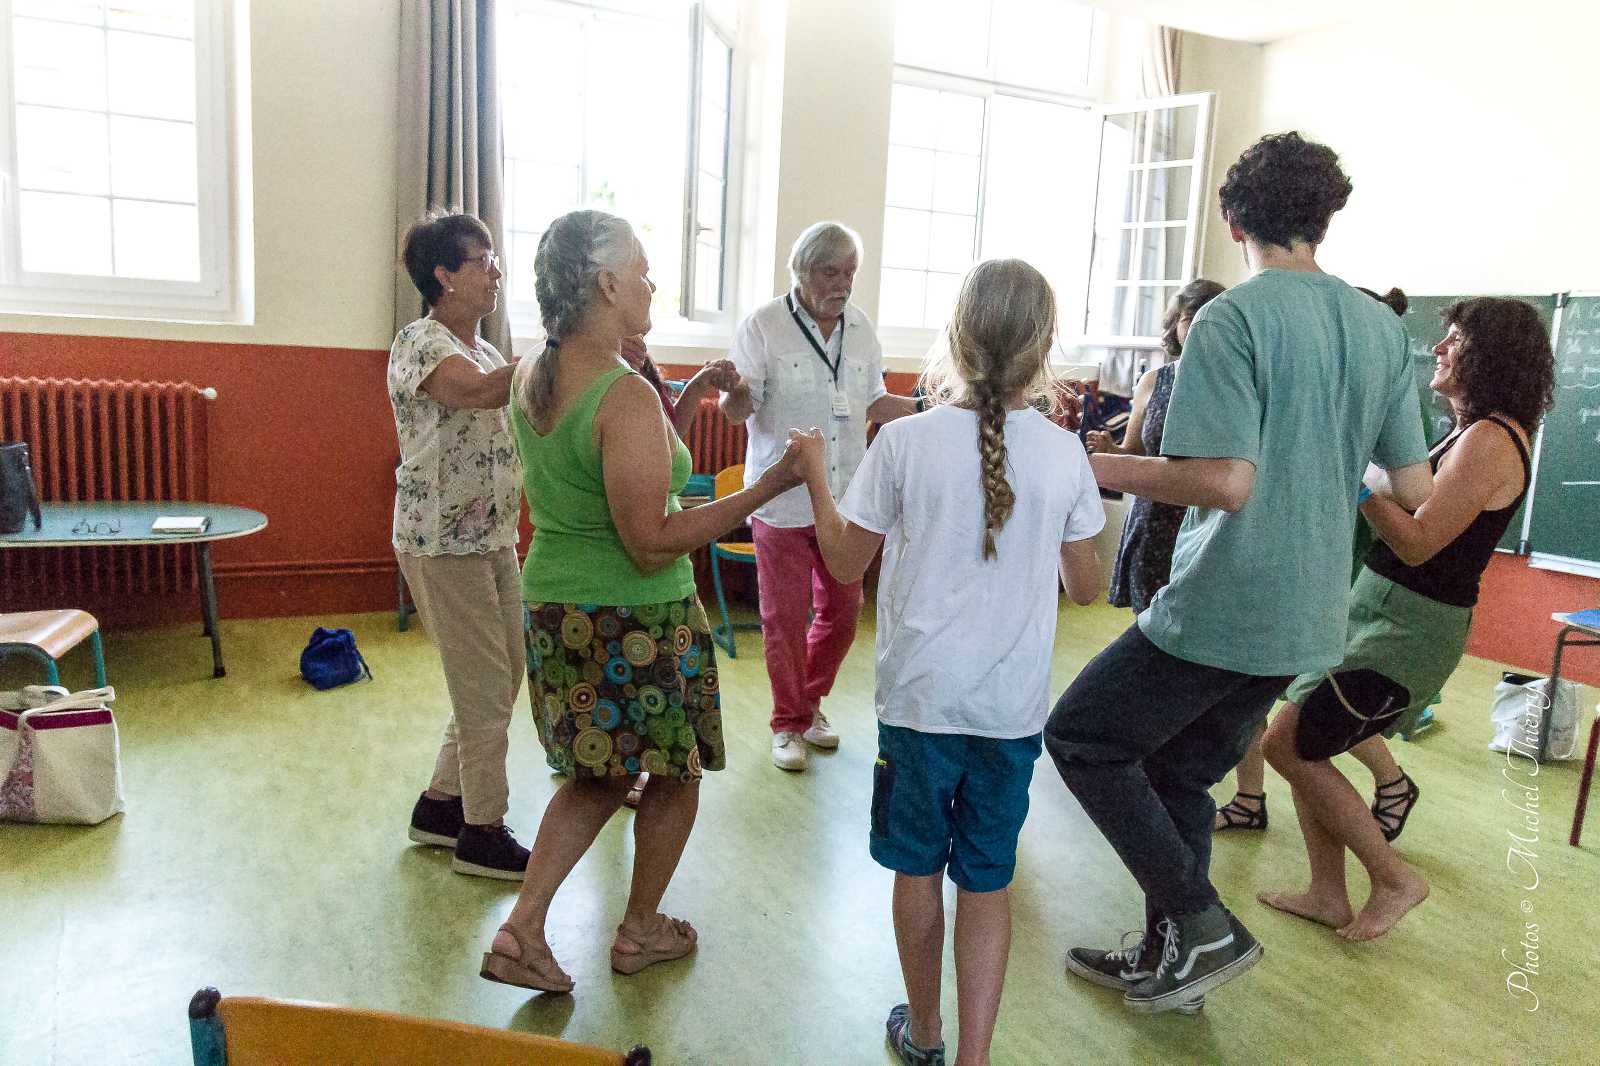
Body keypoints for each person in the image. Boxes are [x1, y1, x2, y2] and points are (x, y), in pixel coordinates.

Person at [1047, 131, 1433, 1013]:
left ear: (1232, 220)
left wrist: (1088, 465)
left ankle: (1201, 923)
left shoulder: (1232, 318)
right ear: (1324, 218)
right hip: (1309, 613)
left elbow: (1223, 482)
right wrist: (1325, 462)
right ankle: (1176, 960)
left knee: (1082, 737)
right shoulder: (1381, 328)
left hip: (1227, 601)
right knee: (1178, 774)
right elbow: (1412, 486)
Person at [479, 209, 802, 993]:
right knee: (673, 775)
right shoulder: (619, 394)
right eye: (644, 272)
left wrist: (681, 402)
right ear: (606, 284)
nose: (653, 285)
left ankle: (522, 932)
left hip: (559, 604)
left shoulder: (536, 373)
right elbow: (652, 538)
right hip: (633, 616)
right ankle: (641, 928)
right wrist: (769, 486)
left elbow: (634, 467)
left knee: (596, 776)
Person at [792, 259, 1105, 1066]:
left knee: (918, 870)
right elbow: (1088, 589)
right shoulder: (1064, 454)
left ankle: (925, 1033)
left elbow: (844, 561)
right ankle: (974, 1057)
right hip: (1009, 712)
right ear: (1044, 348)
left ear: (956, 339)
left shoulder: (903, 442)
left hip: (920, 703)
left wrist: (817, 478)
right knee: (988, 881)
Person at [1257, 297, 1554, 941]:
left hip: (1408, 626)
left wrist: (1355, 486)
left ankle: (1394, 878)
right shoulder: (1467, 430)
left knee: (1285, 743)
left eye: (1455, 340)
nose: (1438, 349)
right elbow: (1406, 497)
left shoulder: (1489, 440)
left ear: (1491, 356)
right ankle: (1327, 893)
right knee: (1304, 740)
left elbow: (1418, 543)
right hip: (1379, 608)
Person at [1213, 285, 1419, 835]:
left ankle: (1392, 780)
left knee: (1315, 691)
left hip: (1343, 554)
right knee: (1279, 686)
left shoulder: (1385, 383)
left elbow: (1407, 487)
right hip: (1300, 545)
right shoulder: (1328, 379)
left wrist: (1353, 483)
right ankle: (1250, 796)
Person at [719, 221, 919, 771]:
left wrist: (932, 410)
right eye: (831, 272)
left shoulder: (862, 328)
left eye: (850, 272)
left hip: (847, 500)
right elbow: (737, 411)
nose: (843, 283)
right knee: (783, 620)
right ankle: (788, 723)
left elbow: (874, 402)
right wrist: (734, 392)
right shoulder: (763, 326)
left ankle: (807, 705)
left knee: (844, 614)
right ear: (802, 272)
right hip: (781, 500)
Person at [391, 213, 531, 881]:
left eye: (494, 259)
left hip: (494, 536)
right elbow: (470, 395)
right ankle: (483, 831)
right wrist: (558, 356)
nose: (495, 272)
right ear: (444, 275)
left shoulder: (490, 353)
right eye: (483, 260)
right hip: (442, 541)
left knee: (504, 678)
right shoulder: (420, 341)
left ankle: (440, 807)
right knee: (483, 691)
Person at [1087, 279, 1225, 614]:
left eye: (1210, 320)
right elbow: (1134, 451)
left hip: (1206, 522)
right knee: (1146, 621)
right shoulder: (1153, 381)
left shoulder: (1230, 383)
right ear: (1176, 323)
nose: (1200, 329)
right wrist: (1111, 450)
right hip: (1152, 522)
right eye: (1191, 319)